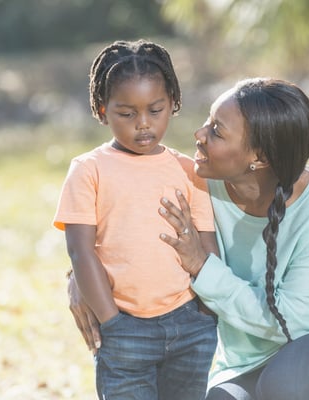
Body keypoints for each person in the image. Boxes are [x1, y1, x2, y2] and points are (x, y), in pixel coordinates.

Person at [69, 77, 309, 399]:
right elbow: (126, 231)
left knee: (289, 384)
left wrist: (201, 264)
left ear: (259, 158)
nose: (198, 135)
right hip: (246, 364)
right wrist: (78, 277)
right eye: (208, 122)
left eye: (217, 131)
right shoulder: (197, 183)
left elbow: (291, 320)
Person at [54, 39, 219, 400]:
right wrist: (111, 322)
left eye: (155, 110)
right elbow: (81, 252)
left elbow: (208, 245)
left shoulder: (190, 171)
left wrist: (207, 314)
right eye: (127, 114)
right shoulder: (88, 171)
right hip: (123, 327)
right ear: (102, 110)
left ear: (173, 104)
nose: (143, 124)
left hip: (191, 325)